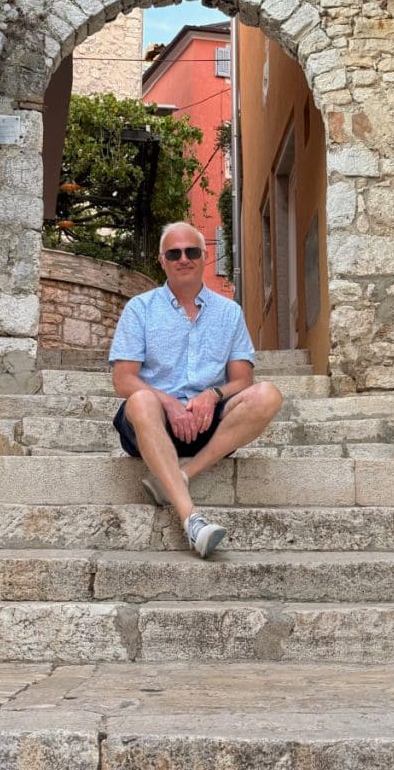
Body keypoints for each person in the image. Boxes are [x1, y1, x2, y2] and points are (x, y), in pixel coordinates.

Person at [109, 221, 283, 558]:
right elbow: (123, 380)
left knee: (268, 394)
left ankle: (179, 476)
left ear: (204, 257)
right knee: (142, 398)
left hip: (207, 423)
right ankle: (192, 520)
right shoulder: (140, 309)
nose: (183, 259)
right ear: (162, 261)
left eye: (191, 252)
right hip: (151, 424)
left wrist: (212, 395)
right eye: (174, 253)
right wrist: (170, 403)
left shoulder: (229, 313)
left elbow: (242, 380)